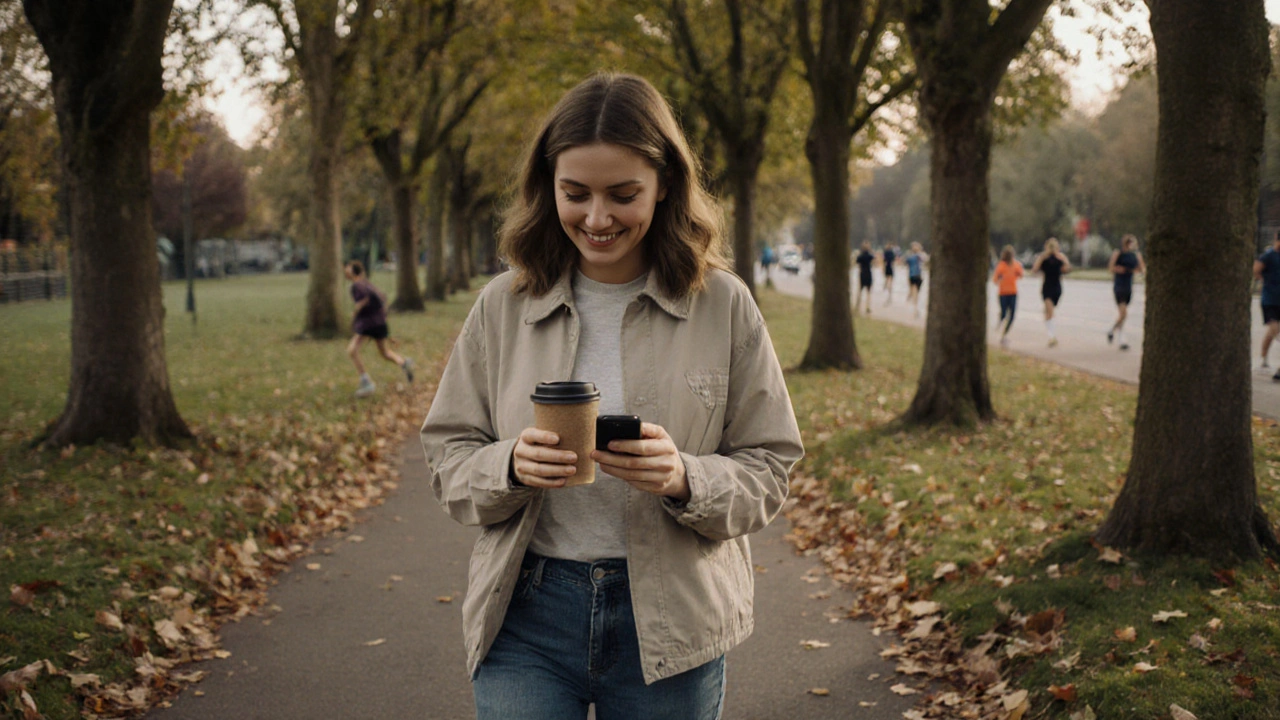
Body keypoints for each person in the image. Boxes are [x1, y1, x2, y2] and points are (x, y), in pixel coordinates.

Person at [419, 73, 804, 720]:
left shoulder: (723, 305)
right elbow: (448, 456)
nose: (597, 218)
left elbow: (770, 464)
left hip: (674, 623)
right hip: (527, 617)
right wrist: (508, 466)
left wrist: (686, 478)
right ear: (549, 189)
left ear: (665, 188)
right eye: (575, 194)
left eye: (623, 195)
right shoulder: (501, 308)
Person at [343, 260, 413, 397]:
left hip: (368, 325)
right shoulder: (367, 283)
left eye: (347, 268)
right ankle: (404, 363)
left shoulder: (357, 285)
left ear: (352, 271)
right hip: (379, 323)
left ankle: (366, 382)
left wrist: (355, 312)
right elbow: (382, 298)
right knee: (385, 352)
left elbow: (364, 300)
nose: (345, 270)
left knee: (352, 351)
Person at [1107, 234, 1146, 351]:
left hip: (1129, 286)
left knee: (1122, 315)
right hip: (1119, 286)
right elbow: (1110, 268)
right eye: (1130, 243)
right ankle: (1121, 339)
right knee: (1124, 314)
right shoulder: (1118, 254)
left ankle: (1112, 332)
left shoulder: (1135, 255)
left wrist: (1138, 270)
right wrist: (1119, 269)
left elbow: (1141, 268)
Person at [1031, 237, 1072, 347]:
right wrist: (1042, 257)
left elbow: (1067, 269)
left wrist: (1063, 258)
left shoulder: (1060, 258)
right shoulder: (1044, 259)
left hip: (1057, 287)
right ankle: (1052, 336)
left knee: (1049, 312)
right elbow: (1034, 270)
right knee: (1049, 310)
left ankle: (1051, 334)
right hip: (1047, 287)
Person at [1254, 231, 1280, 379]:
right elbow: (1256, 269)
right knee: (1275, 329)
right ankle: (1265, 361)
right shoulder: (1269, 255)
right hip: (1270, 300)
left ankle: (1263, 359)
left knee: (1271, 333)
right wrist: (1264, 281)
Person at [992, 244, 1023, 348]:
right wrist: (1000, 278)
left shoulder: (1016, 265)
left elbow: (1020, 274)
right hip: (1003, 293)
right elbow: (995, 280)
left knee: (1012, 315)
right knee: (1004, 313)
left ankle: (1004, 334)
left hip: (1013, 293)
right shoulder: (1001, 265)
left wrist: (1018, 274)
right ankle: (1000, 322)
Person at [903, 242, 929, 318]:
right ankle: (915, 309)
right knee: (915, 292)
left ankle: (912, 304)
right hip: (915, 276)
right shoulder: (918, 256)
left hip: (916, 276)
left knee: (915, 292)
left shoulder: (913, 256)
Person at [854, 241, 875, 314]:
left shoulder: (860, 256)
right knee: (868, 292)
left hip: (862, 273)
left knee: (860, 290)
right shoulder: (870, 256)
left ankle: (857, 306)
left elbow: (856, 263)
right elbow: (874, 262)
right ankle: (867, 306)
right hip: (868, 274)